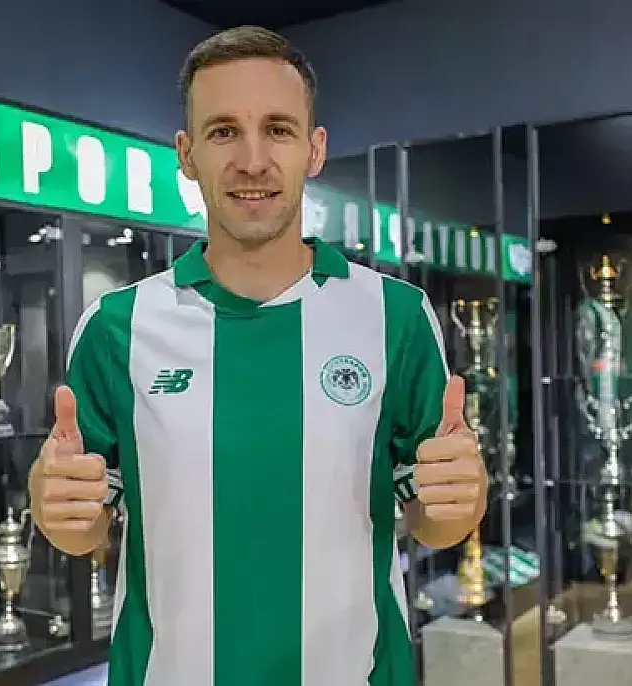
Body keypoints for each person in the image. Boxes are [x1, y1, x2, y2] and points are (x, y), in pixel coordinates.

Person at [29, 25, 487, 686]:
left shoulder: (395, 316)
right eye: (223, 132)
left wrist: (461, 499)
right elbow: (83, 529)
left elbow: (435, 521)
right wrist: (56, 507)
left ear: (314, 149)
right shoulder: (117, 328)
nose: (252, 160)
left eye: (277, 129)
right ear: (186, 154)